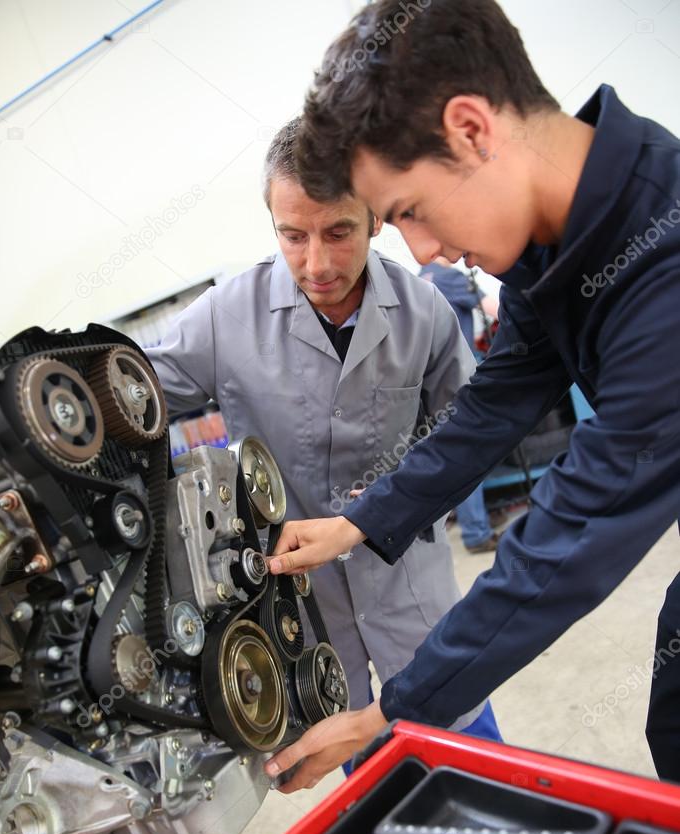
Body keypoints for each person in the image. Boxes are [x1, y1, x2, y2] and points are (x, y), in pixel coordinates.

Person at [262, 0, 680, 791]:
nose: (422, 251)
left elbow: (568, 538)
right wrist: (360, 519)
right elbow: (489, 409)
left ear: (471, 129)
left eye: (410, 212)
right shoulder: (557, 241)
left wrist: (392, 711)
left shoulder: (665, 267)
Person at [147, 117, 500, 743]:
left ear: (376, 218)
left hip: (408, 586)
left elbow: (469, 440)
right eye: (292, 235)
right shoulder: (227, 316)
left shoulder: (425, 315)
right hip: (302, 609)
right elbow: (133, 394)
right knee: (367, 786)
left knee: (470, 758)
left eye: (339, 232)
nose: (316, 263)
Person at [420, 257, 498, 553]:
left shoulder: (419, 278)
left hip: (426, 383)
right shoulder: (450, 277)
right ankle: (477, 532)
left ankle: (460, 520)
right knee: (467, 450)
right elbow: (495, 309)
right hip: (456, 378)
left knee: (445, 451)